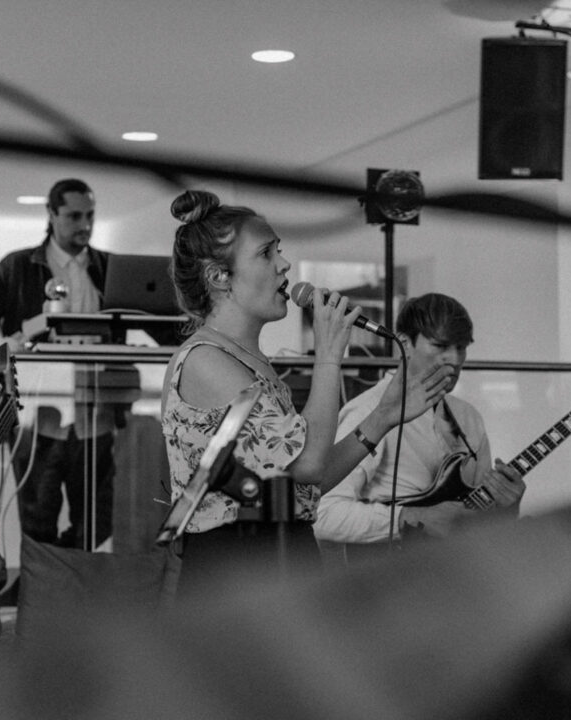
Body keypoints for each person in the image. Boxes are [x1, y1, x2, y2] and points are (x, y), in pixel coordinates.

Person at [160, 190, 453, 596]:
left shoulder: (250, 361)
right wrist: (329, 355)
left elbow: (303, 485)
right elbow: (311, 462)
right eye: (266, 254)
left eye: (278, 250)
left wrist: (382, 416)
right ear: (219, 277)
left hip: (279, 557)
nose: (285, 264)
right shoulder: (206, 361)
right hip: (234, 570)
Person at [313, 292, 526, 562]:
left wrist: (506, 507)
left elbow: (473, 521)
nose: (455, 359)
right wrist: (409, 518)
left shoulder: (468, 417)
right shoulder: (366, 412)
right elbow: (320, 514)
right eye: (441, 345)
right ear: (405, 343)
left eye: (462, 347)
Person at [0, 178, 118, 550]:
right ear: (51, 214)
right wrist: (1, 343)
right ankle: (44, 593)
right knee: (37, 519)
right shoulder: (17, 266)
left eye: (91, 216)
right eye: (74, 216)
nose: (84, 225)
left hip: (94, 414)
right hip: (38, 414)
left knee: (99, 521)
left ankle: (70, 579)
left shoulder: (109, 268)